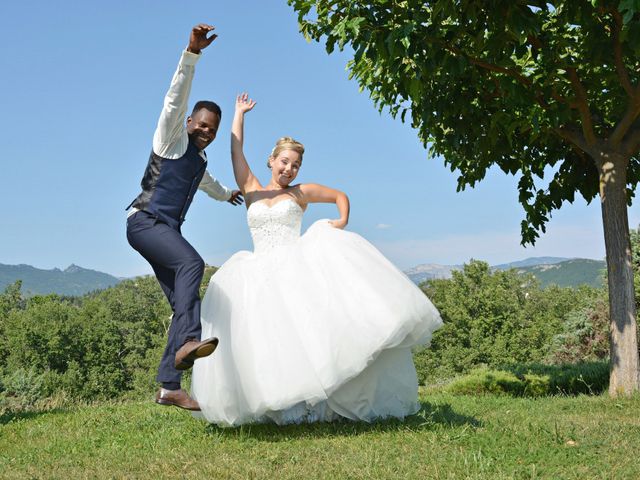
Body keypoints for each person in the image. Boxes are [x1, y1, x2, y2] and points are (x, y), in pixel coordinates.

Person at [190, 93, 443, 426]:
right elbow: (235, 150)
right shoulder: (251, 188)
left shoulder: (301, 192)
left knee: (311, 340)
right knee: (271, 341)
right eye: (285, 162)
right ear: (271, 160)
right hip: (259, 272)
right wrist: (239, 114)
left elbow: (340, 196)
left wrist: (341, 221)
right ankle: (279, 405)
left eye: (295, 164)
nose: (289, 169)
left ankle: (320, 403)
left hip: (295, 268)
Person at [126, 24, 243, 412]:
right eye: (202, 125)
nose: (206, 133)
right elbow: (174, 99)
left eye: (212, 129)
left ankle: (169, 385)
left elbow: (206, 181)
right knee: (192, 262)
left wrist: (227, 195)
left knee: (183, 302)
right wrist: (191, 54)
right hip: (145, 223)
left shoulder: (200, 157)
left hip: (163, 230)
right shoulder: (171, 138)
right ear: (190, 122)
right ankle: (190, 342)